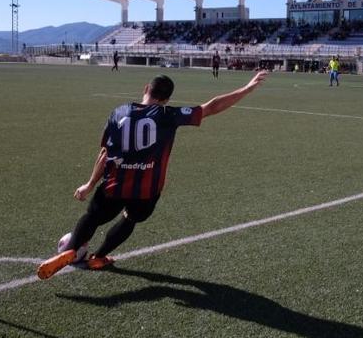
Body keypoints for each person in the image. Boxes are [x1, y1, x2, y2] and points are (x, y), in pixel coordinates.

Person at [36, 71, 269, 280]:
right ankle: (99, 256)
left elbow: (105, 154)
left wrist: (89, 184)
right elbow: (211, 107)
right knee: (129, 219)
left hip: (114, 185)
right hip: (147, 190)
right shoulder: (168, 115)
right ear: (167, 99)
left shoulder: (118, 113)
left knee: (93, 218)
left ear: (146, 89)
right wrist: (247, 88)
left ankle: (71, 250)